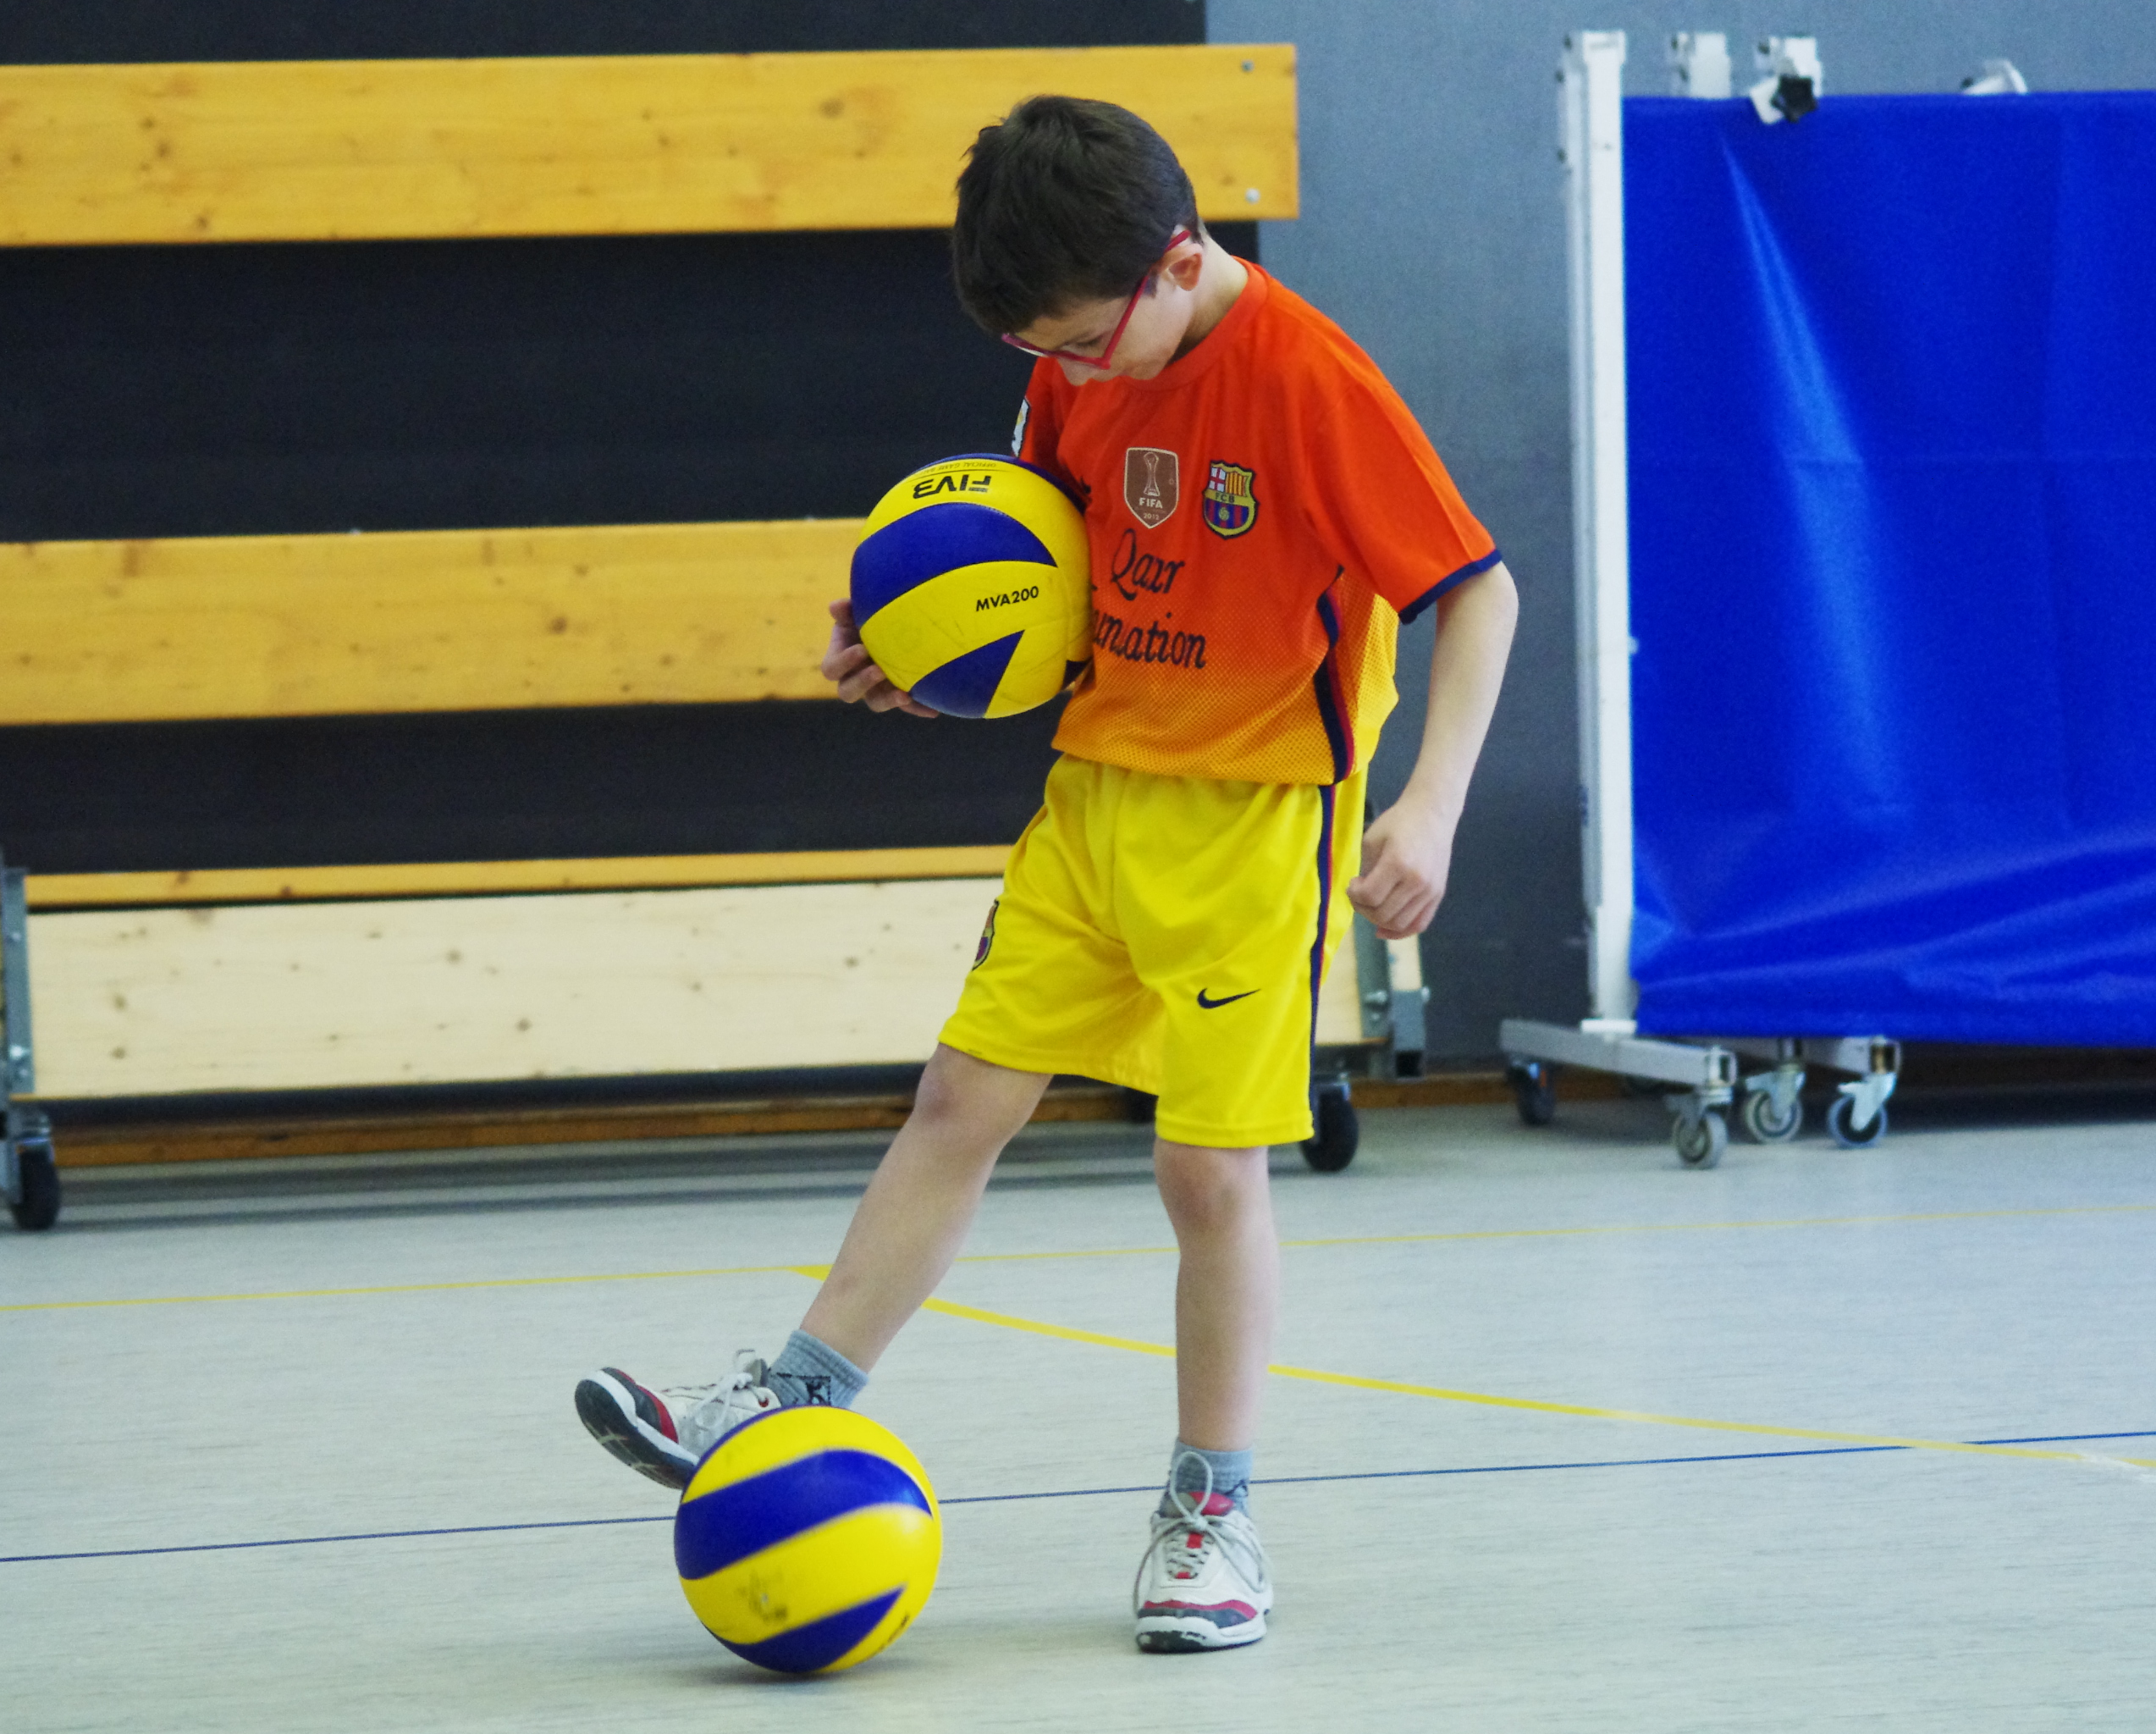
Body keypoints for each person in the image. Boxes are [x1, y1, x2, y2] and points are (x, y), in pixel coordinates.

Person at [576, 95, 1517, 1655]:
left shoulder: (1314, 384)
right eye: (1044, 352)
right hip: (1091, 801)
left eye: (1086, 341)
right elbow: (1044, 567)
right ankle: (784, 1396)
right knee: (960, 1099)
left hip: (1255, 825)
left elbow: (1475, 595)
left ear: (1175, 261)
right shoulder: (1066, 370)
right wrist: (920, 653)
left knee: (1203, 1175)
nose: (1066, 373)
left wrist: (1430, 810)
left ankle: (1211, 1513)